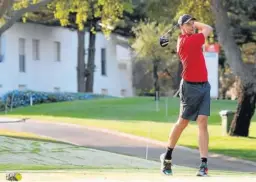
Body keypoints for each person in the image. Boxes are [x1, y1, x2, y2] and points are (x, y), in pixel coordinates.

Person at [160, 14, 213, 177]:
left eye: (193, 24)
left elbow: (206, 30)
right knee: (182, 123)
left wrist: (187, 23)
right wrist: (195, 24)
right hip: (189, 88)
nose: (192, 26)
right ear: (182, 28)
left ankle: (204, 164)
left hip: (204, 86)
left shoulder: (191, 37)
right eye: (188, 24)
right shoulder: (187, 41)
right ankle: (167, 156)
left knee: (202, 122)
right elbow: (209, 29)